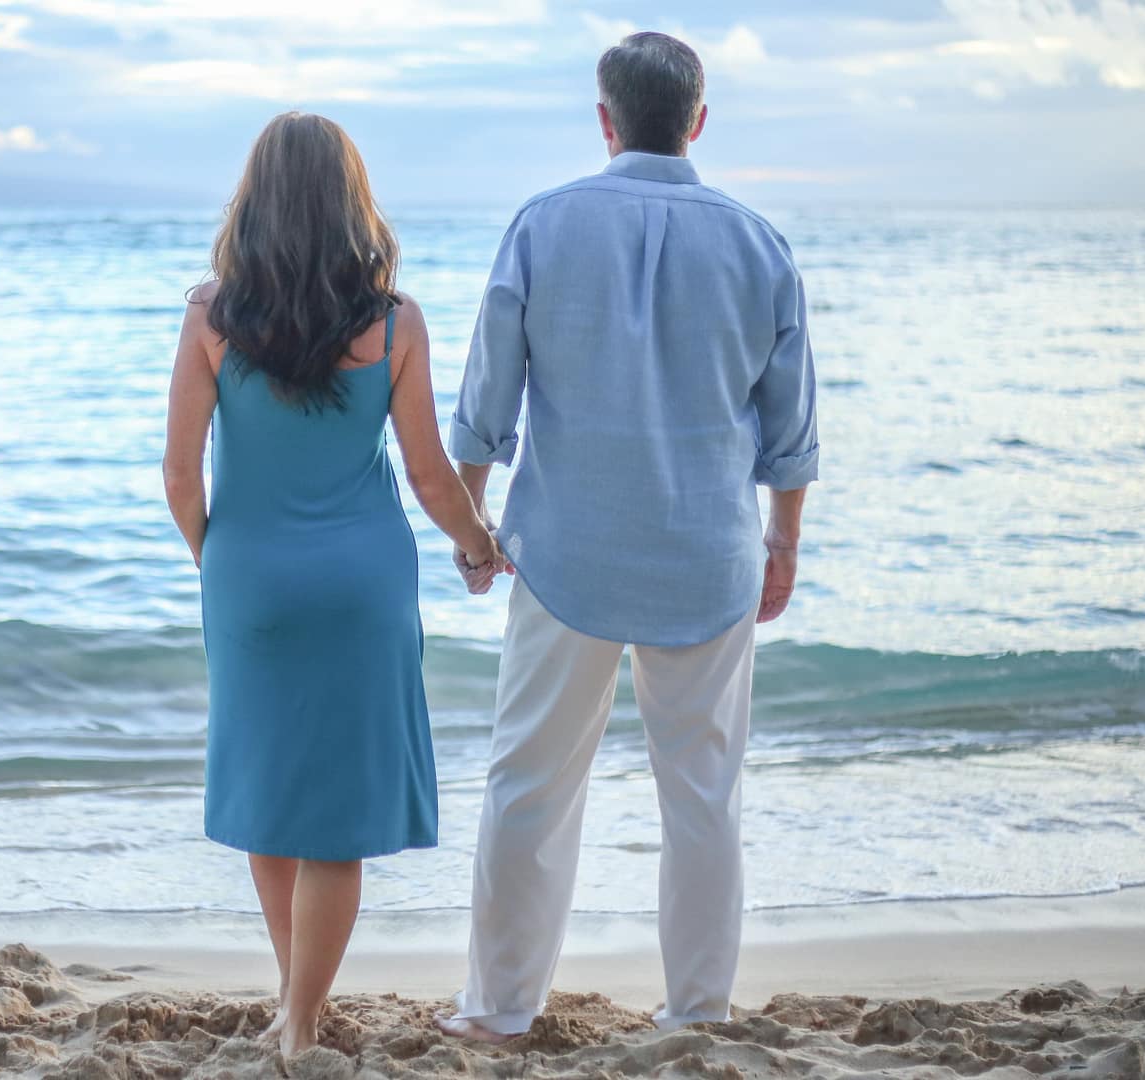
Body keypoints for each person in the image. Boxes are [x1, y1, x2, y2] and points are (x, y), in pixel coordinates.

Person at [438, 31, 820, 1040]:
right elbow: (791, 432)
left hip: (566, 553)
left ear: (605, 120)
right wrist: (782, 543)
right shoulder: (759, 242)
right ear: (697, 120)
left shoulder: (543, 224)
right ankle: (696, 1012)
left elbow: (486, 401)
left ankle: (497, 1013)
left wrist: (472, 524)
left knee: (529, 785)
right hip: (708, 555)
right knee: (702, 797)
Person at [162, 111, 505, 1057]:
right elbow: (432, 477)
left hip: (251, 580)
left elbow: (182, 480)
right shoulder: (394, 322)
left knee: (268, 795)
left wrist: (223, 567)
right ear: (353, 203)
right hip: (363, 585)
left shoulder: (210, 317)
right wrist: (481, 546)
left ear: (255, 200)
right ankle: (302, 1016)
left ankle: (292, 1003)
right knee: (336, 822)